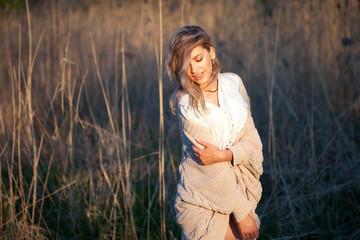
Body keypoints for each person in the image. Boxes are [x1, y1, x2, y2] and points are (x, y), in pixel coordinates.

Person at [167, 25, 263, 240]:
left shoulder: (233, 83)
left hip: (241, 185)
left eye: (198, 58)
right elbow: (208, 169)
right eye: (186, 64)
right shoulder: (187, 104)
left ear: (211, 53)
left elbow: (252, 140)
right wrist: (242, 215)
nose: (194, 69)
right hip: (203, 196)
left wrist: (225, 155)